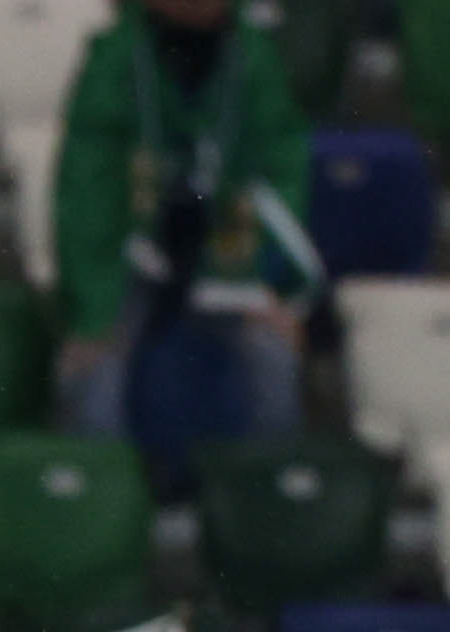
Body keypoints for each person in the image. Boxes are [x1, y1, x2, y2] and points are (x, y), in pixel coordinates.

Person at [53, 0, 314, 477]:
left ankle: (264, 497)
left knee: (272, 351)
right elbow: (88, 189)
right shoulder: (116, 59)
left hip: (229, 238)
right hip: (136, 241)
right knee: (95, 365)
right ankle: (108, 500)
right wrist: (93, 310)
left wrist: (268, 282)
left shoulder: (252, 57)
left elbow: (281, 169)